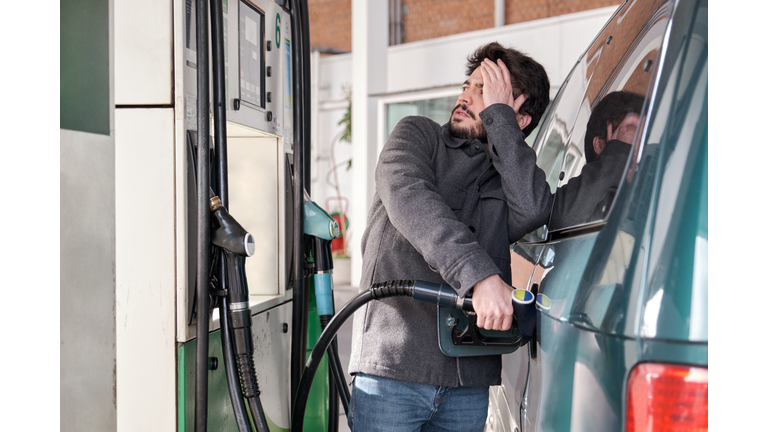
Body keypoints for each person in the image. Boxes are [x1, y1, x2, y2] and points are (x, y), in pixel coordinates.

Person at [347, 42, 551, 432]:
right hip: (394, 367)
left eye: (483, 91)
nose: (465, 96)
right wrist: (479, 276)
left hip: (468, 381)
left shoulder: (508, 175)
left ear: (517, 117)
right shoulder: (416, 134)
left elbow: (534, 209)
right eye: (467, 85)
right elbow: (409, 196)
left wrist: (499, 121)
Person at [549, 90, 645, 229]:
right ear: (600, 145)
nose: (639, 151)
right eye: (631, 135)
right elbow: (566, 222)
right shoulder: (594, 207)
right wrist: (617, 153)